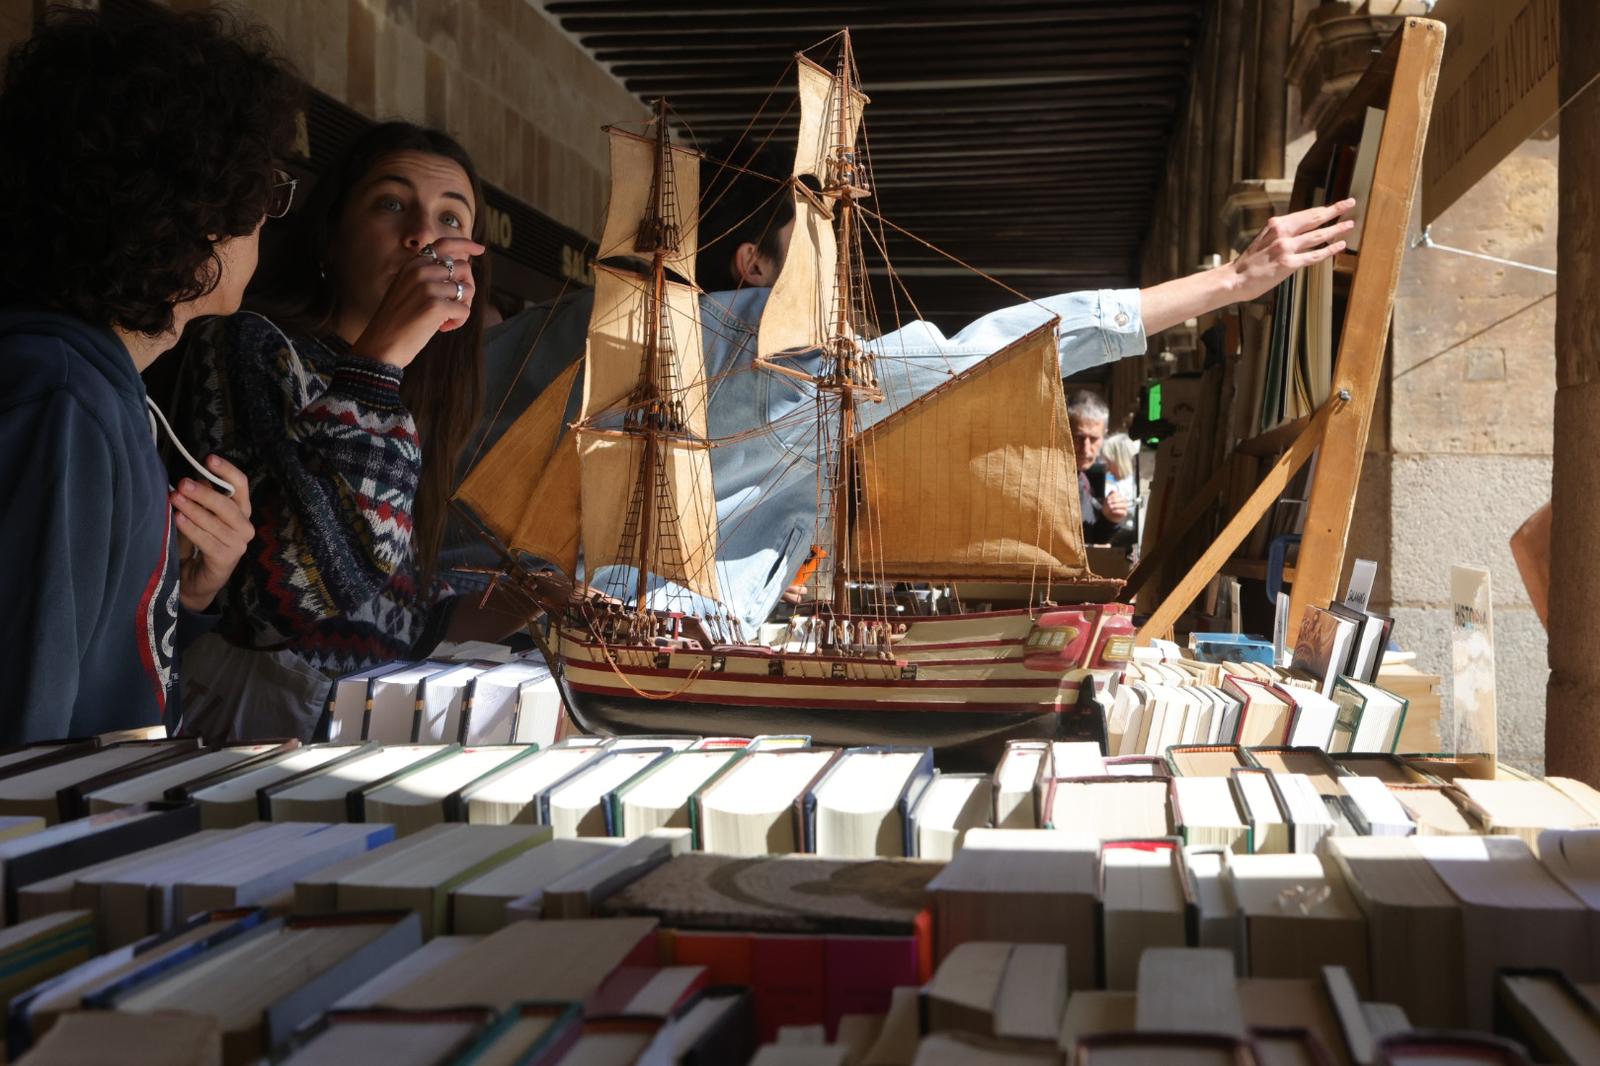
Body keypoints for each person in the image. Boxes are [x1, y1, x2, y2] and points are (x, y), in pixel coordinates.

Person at [464, 141, 1356, 638]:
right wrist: (1227, 285)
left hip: (540, 636)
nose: (847, 298)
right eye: (822, 265)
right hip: (643, 639)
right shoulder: (804, 369)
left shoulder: (604, 329)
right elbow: (1006, 343)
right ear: (751, 267)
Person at [0, 5, 298, 743]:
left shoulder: (94, 387)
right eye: (263, 192)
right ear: (202, 212)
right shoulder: (63, 400)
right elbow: (24, 741)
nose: (267, 218)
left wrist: (186, 590)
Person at [169, 121, 514, 740]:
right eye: (391, 204)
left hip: (373, 730)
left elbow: (403, 621)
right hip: (258, 731)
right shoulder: (250, 345)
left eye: (451, 221)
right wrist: (378, 365)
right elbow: (278, 602)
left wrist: (549, 599)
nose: (423, 236)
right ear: (329, 237)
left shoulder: (423, 400)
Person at [1067, 390, 1131, 545]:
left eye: (1094, 439)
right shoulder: (1047, 484)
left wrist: (1110, 519)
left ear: (1104, 435)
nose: (1086, 449)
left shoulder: (1082, 480)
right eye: (1078, 438)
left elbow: (1089, 538)